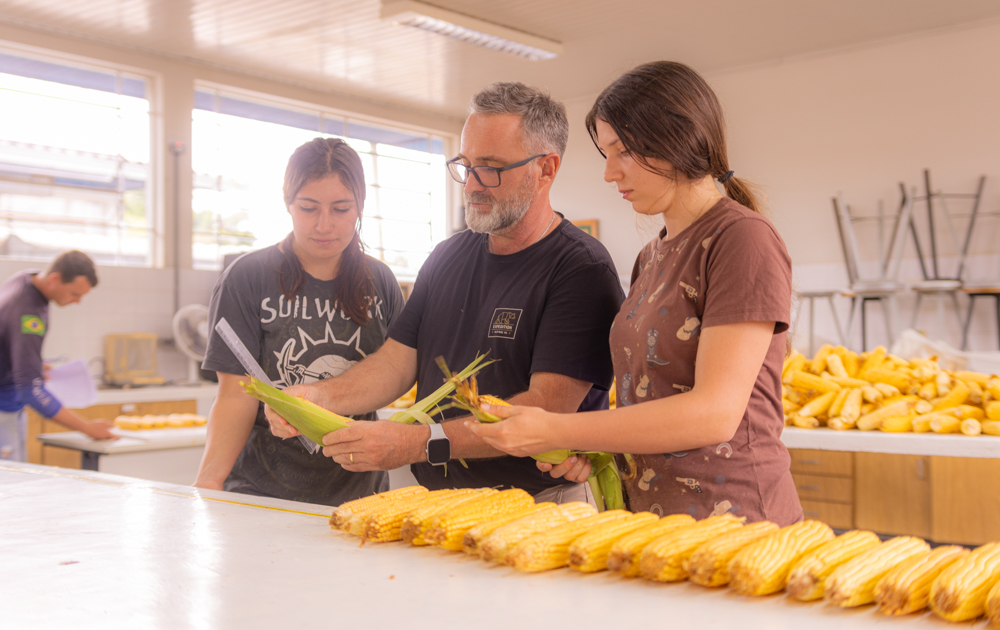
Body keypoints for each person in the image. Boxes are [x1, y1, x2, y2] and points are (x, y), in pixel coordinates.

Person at [469, 62, 802, 526]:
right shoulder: (652, 255)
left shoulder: (743, 238)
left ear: (678, 140)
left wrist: (560, 426)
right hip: (652, 523)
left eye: (622, 151)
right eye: (607, 153)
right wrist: (590, 447)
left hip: (733, 525)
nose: (609, 173)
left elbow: (715, 413)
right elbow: (646, 403)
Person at [265, 82, 624, 503]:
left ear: (545, 169)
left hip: (539, 503)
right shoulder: (448, 255)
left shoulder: (580, 269)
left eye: (490, 168)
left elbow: (543, 410)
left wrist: (418, 442)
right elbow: (397, 363)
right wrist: (320, 396)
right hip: (443, 501)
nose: (471, 185)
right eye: (465, 165)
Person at [195, 137, 404, 505]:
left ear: (360, 208)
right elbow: (234, 395)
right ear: (288, 203)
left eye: (341, 209)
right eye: (309, 208)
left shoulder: (381, 282)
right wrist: (209, 480)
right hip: (262, 494)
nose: (324, 225)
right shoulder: (248, 277)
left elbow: (398, 372)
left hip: (362, 497)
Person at [0, 250, 116, 461]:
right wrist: (88, 428)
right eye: (75, 294)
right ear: (54, 279)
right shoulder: (28, 312)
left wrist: (29, 361)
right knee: (8, 485)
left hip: (8, 405)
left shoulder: (24, 279)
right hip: (3, 410)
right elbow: (31, 390)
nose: (78, 301)